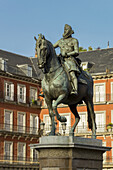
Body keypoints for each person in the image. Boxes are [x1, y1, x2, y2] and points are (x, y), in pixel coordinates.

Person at [53, 24, 80, 95]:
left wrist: (68, 54)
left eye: (66, 30)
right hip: (60, 59)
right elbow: (52, 47)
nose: (65, 31)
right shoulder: (60, 41)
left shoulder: (74, 40)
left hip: (70, 59)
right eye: (64, 30)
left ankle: (75, 89)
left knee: (72, 74)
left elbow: (76, 52)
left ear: (70, 32)